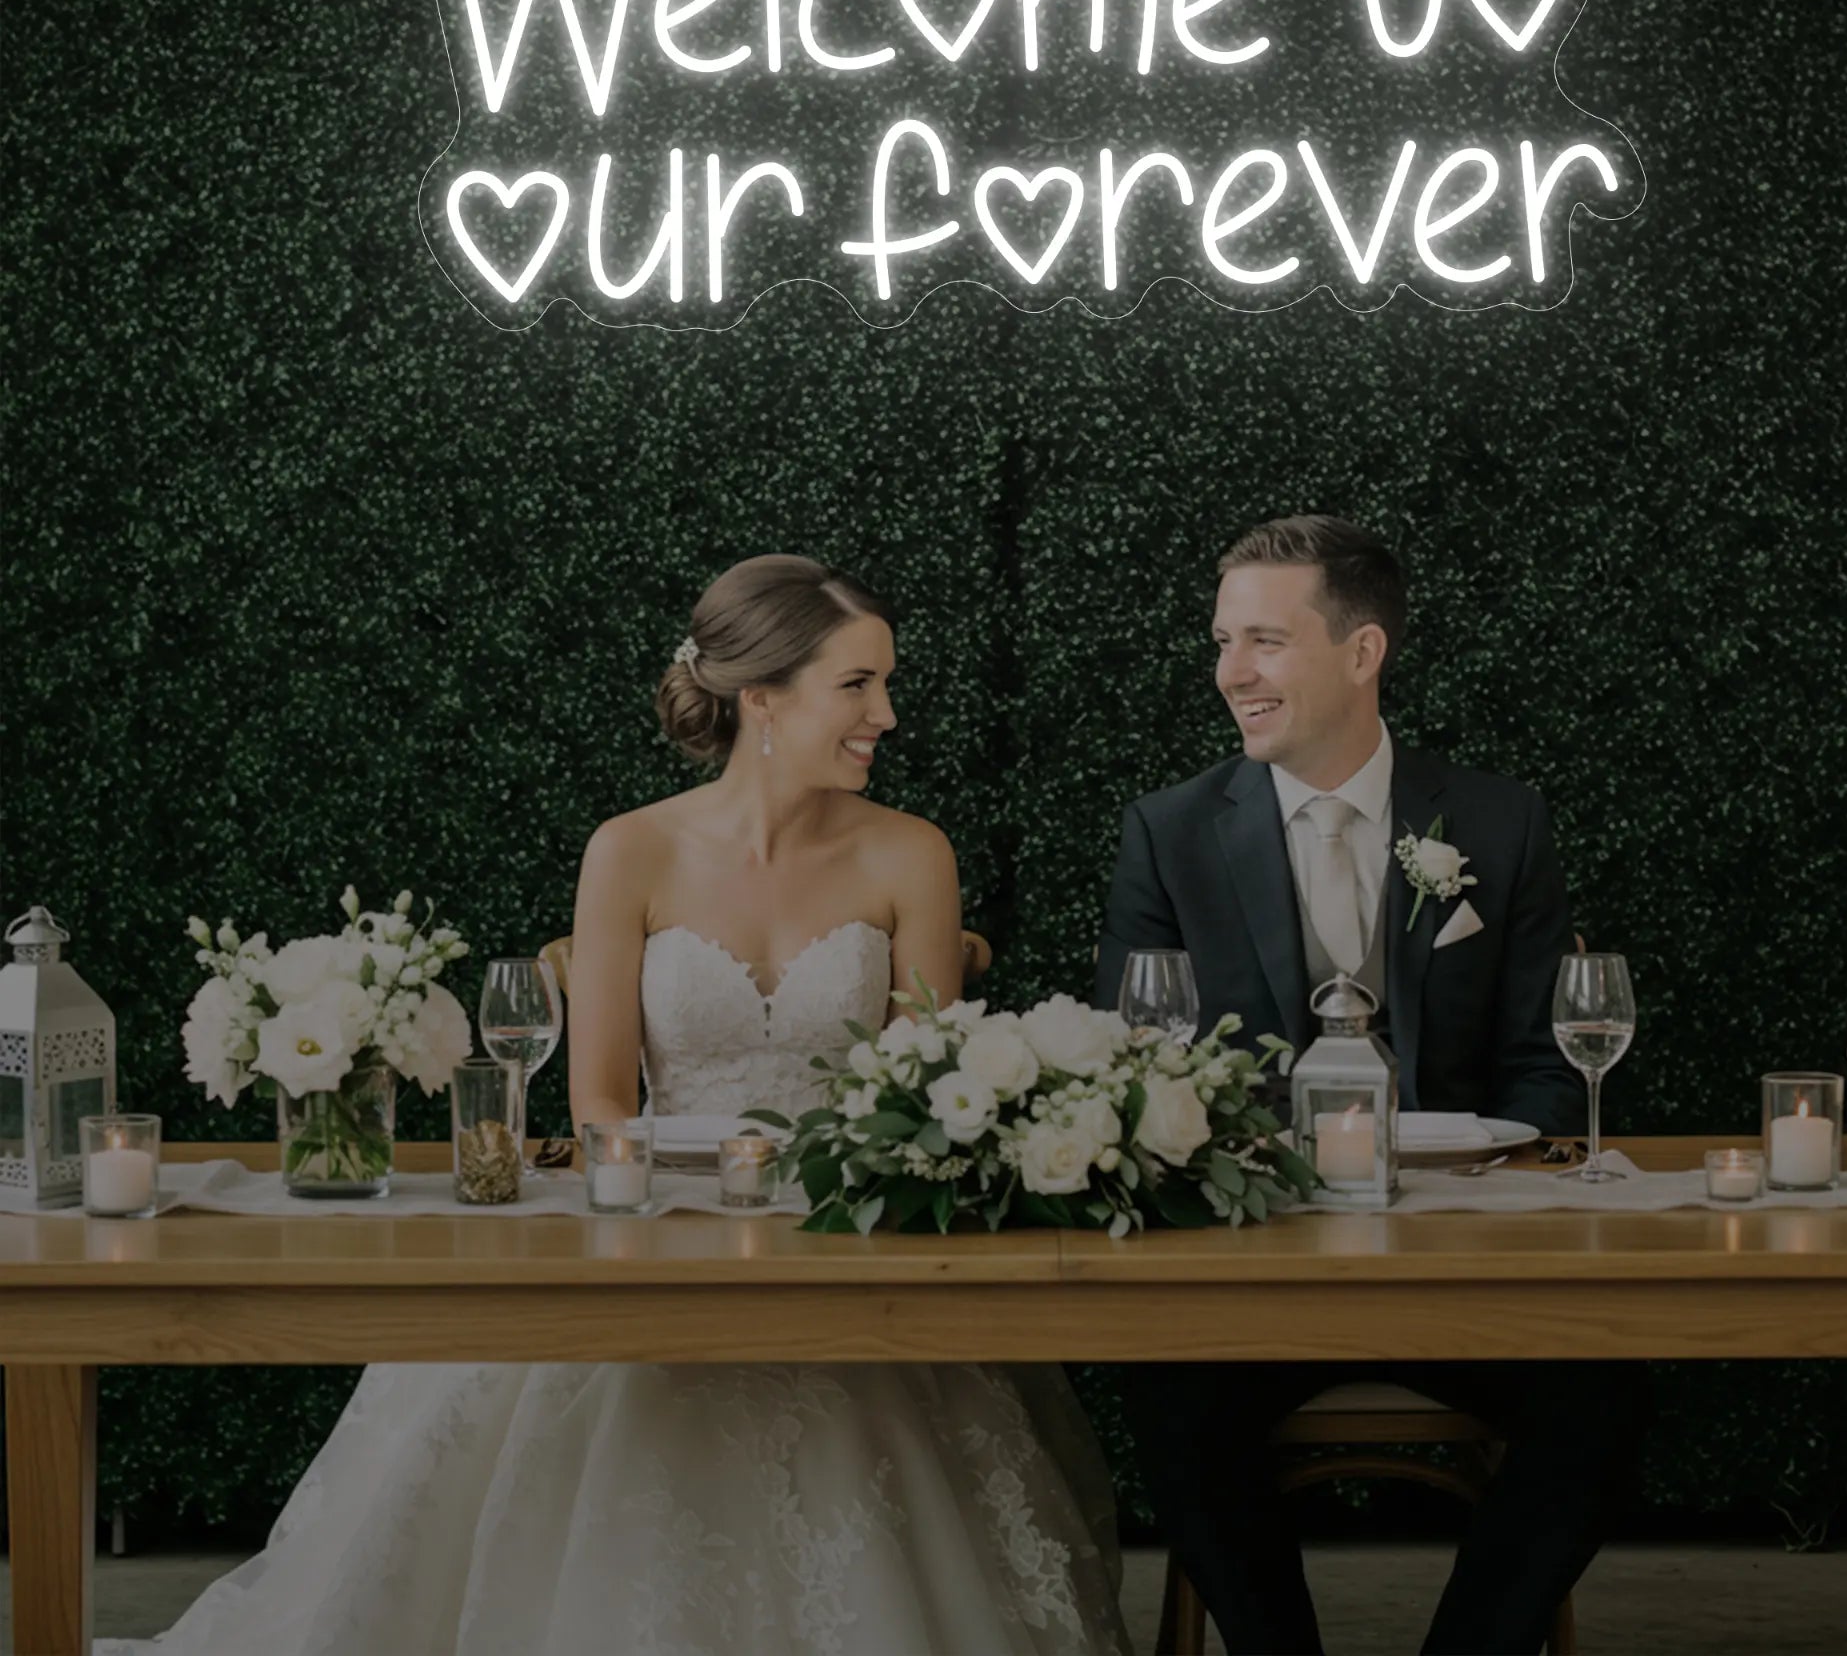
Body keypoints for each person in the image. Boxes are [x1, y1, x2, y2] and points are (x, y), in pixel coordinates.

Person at [108, 555, 1127, 1656]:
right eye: (857, 683)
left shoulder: (911, 851)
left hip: (840, 1233)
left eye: (883, 683)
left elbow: (920, 1089)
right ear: (762, 698)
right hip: (648, 1216)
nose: (885, 712)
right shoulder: (630, 848)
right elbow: (597, 1090)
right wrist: (659, 1200)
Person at [1094, 515, 1648, 1656]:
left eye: (1262, 641)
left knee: (1606, 1397)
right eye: (1220, 641)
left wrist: (1474, 1190)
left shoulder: (1498, 820)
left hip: (1463, 1259)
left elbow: (1548, 1061)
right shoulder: (1169, 833)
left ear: (1361, 652)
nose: (1228, 673)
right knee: (1169, 1399)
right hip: (1252, 1273)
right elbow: (1135, 1068)